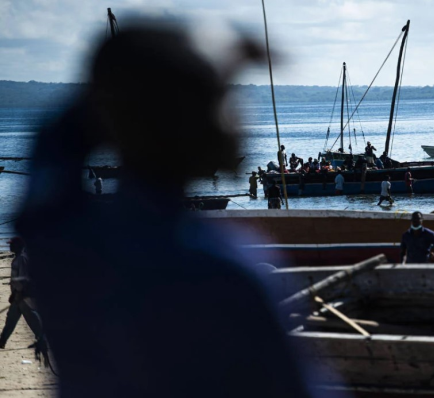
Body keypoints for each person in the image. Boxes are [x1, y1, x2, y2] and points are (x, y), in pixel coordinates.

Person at [15, 24, 313, 398]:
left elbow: (56, 138)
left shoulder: (61, 237)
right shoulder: (226, 269)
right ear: (208, 128)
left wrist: (151, 81)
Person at [0, 238, 45, 351]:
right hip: (18, 294)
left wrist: (18, 293)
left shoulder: (22, 259)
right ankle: (2, 341)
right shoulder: (17, 258)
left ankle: (42, 339)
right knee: (11, 319)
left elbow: (24, 278)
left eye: (12, 245)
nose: (10, 247)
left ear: (19, 246)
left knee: (31, 318)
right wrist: (14, 294)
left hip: (23, 295)